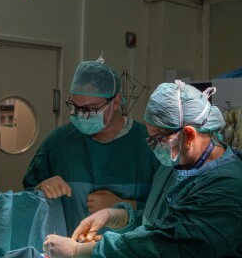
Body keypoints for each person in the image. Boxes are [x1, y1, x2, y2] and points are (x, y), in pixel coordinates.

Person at [43, 81, 242, 258]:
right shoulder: (177, 162)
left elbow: (168, 243)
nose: (154, 146)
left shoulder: (226, 184)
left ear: (189, 135)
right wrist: (121, 217)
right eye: (150, 138)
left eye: (158, 138)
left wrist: (81, 251)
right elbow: (164, 220)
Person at [23, 57, 159, 232]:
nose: (80, 115)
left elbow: (171, 211)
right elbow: (27, 201)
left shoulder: (151, 144)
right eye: (75, 107)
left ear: (116, 102)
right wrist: (41, 189)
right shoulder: (58, 142)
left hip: (131, 248)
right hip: (68, 246)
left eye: (89, 109)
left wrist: (127, 206)